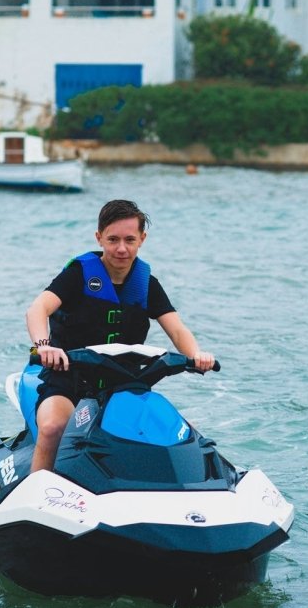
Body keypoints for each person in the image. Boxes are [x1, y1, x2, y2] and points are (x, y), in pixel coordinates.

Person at [24, 199, 215, 473]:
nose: (121, 248)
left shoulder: (146, 284)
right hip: (67, 376)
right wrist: (44, 347)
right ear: (99, 237)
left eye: (129, 239)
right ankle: (37, 498)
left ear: (142, 240)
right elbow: (37, 309)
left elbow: (176, 328)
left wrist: (196, 355)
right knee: (53, 427)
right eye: (113, 239)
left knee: (178, 432)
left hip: (124, 381)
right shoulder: (79, 275)